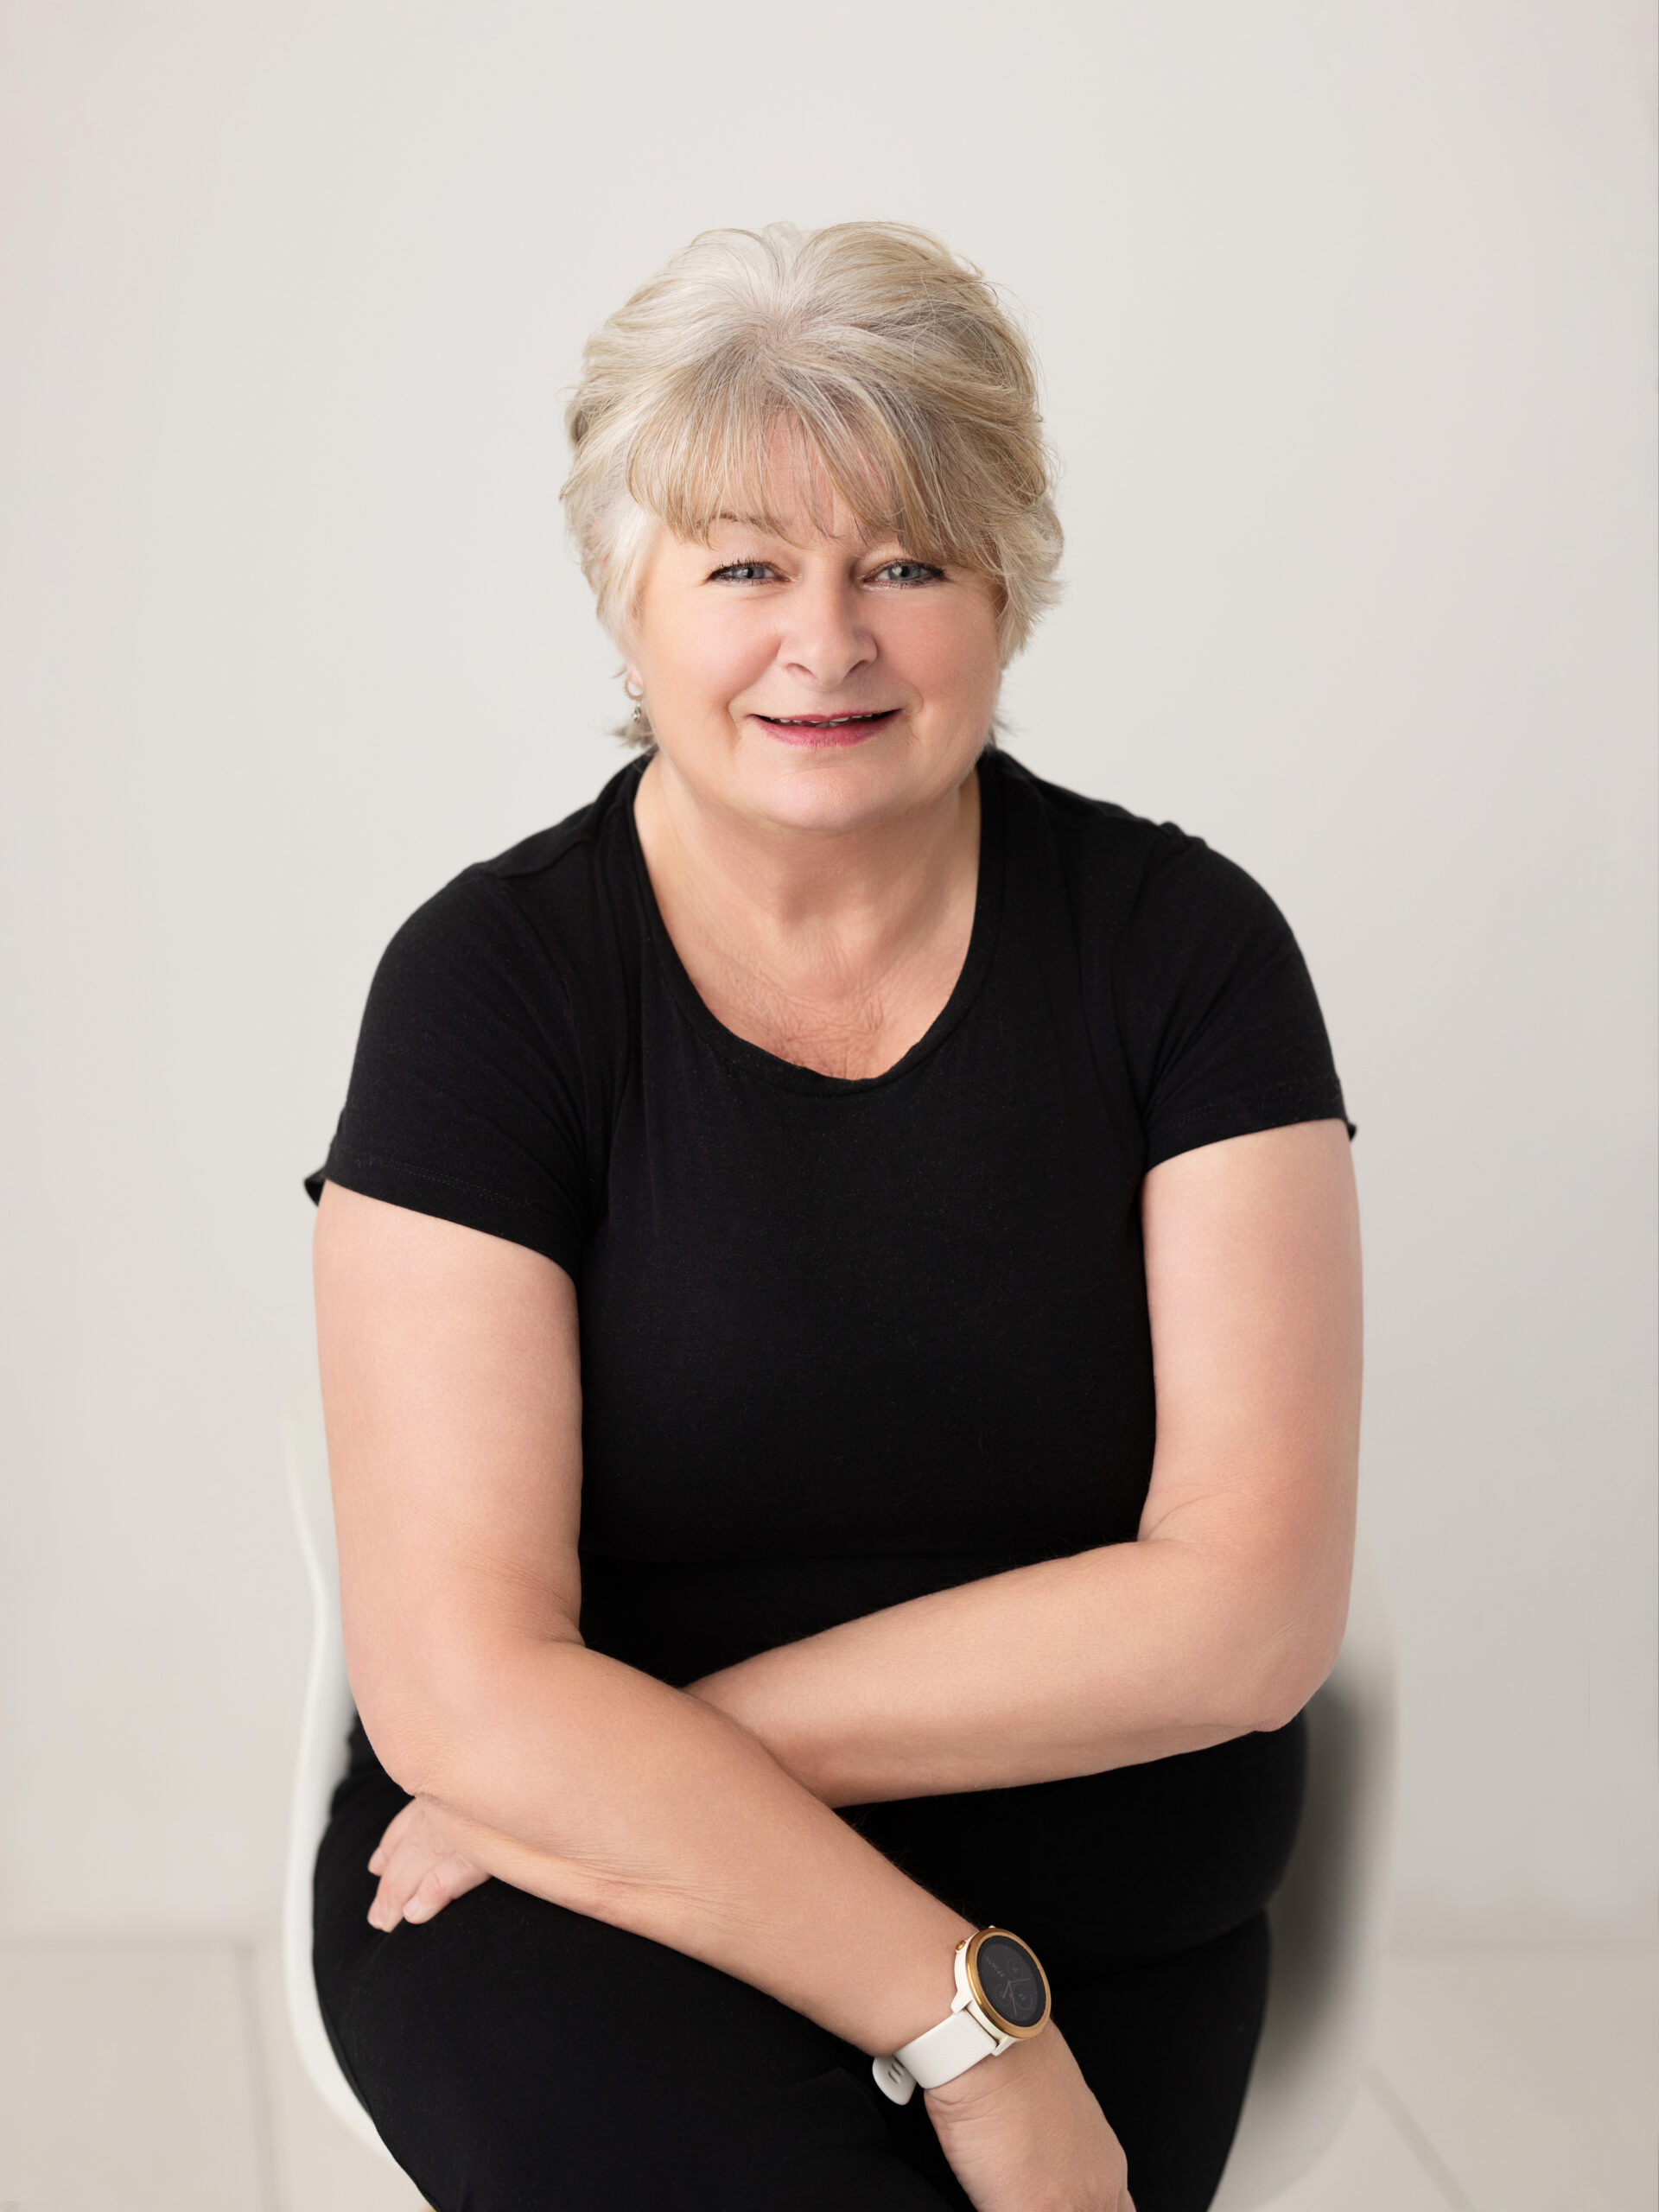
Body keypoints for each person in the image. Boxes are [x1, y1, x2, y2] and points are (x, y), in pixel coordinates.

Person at [305, 220, 1362, 2212]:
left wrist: (650, 1754)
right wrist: (975, 2035)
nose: (827, 640)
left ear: (1006, 589)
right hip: (590, 1913)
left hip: (1068, 1886)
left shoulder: (1188, 954)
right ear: (624, 597)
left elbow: (1245, 1615)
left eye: (904, 566)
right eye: (743, 567)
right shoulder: (487, 990)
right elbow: (460, 1680)